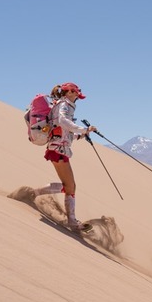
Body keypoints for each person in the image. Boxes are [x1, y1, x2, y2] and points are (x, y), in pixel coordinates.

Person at [38, 82, 97, 230]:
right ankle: (71, 221)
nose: (77, 97)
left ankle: (34, 193)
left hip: (58, 148)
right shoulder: (64, 105)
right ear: (69, 92)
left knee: (68, 186)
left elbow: (64, 132)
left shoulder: (63, 105)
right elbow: (63, 121)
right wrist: (82, 129)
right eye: (76, 93)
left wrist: (81, 135)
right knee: (70, 186)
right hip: (58, 150)